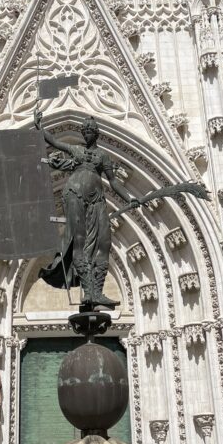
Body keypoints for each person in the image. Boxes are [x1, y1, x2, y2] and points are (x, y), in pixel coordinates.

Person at [34, 113, 139, 309]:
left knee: (104, 242)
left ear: (96, 134)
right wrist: (40, 127)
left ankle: (97, 292)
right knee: (79, 241)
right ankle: (89, 291)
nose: (87, 134)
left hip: (97, 199)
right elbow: (55, 142)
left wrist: (130, 198)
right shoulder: (76, 150)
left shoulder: (103, 156)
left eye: (90, 131)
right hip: (75, 193)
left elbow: (114, 181)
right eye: (85, 131)